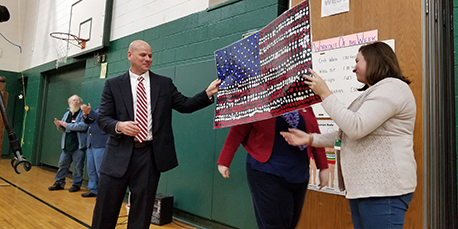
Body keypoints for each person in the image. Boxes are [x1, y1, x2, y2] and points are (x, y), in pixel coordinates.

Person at [280, 41, 417, 229]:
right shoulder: (373, 92)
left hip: (384, 191)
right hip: (366, 189)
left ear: (374, 61)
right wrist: (310, 138)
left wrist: (325, 94)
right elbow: (347, 134)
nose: (354, 68)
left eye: (357, 61)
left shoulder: (392, 89)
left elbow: (355, 127)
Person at [92, 40, 221, 229]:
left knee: (142, 213)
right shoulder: (113, 85)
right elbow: (103, 119)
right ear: (129, 55)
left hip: (149, 157)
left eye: (150, 55)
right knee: (105, 210)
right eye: (143, 55)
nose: (148, 59)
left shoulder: (164, 83)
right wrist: (119, 125)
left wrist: (207, 93)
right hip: (117, 155)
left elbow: (184, 105)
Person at [217, 107, 329, 229]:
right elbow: (238, 131)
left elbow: (314, 134)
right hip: (266, 171)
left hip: (299, 174)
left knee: (290, 224)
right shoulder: (258, 102)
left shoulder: (302, 103)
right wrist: (225, 160)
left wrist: (323, 166)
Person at [48, 94, 88, 192]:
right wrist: (59, 125)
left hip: (78, 146)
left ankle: (76, 184)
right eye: (74, 100)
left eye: (78, 101)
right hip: (66, 145)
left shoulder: (83, 114)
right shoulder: (67, 114)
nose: (76, 102)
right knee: (62, 165)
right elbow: (62, 129)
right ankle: (59, 182)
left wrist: (66, 125)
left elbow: (83, 126)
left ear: (81, 103)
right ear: (69, 103)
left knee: (78, 167)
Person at [80, 103, 109, 198]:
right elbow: (88, 121)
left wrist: (90, 112)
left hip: (101, 143)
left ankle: (104, 192)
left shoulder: (111, 109)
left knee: (100, 170)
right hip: (91, 143)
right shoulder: (97, 108)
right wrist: (85, 114)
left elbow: (102, 119)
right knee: (91, 169)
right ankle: (93, 189)